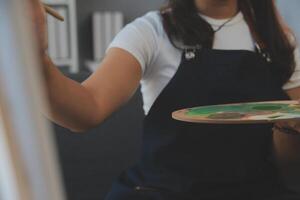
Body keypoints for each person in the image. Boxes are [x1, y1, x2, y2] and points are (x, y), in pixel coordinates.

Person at [33, 0, 300, 199]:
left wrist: (291, 129)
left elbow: (289, 162)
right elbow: (87, 110)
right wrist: (36, 57)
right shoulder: (150, 32)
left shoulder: (278, 40)